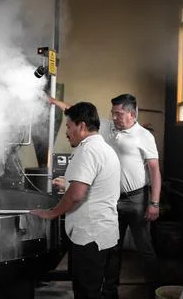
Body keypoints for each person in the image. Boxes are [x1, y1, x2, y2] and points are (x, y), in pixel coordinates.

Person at [50, 94, 162, 296]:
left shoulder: (145, 136)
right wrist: (56, 102)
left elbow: (155, 171)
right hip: (112, 199)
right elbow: (79, 113)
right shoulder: (107, 126)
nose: (114, 117)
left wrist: (154, 203)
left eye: (118, 114)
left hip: (137, 198)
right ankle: (110, 291)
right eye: (112, 113)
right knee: (112, 248)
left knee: (145, 247)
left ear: (132, 114)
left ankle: (155, 288)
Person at [31, 102, 121, 299]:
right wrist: (69, 184)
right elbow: (93, 186)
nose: (66, 132)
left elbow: (77, 195)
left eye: (68, 126)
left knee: (87, 293)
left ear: (81, 126)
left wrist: (51, 213)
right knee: (104, 291)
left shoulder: (87, 150)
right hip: (106, 234)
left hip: (90, 237)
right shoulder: (104, 148)